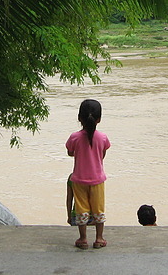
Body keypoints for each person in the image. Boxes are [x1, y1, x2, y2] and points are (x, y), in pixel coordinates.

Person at [66, 98, 110, 249]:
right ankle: (99, 238)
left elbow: (70, 152)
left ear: (79, 118)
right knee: (98, 209)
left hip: (79, 179)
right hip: (97, 179)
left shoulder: (74, 137)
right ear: (99, 119)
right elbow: (102, 154)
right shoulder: (103, 137)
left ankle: (83, 239)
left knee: (81, 209)